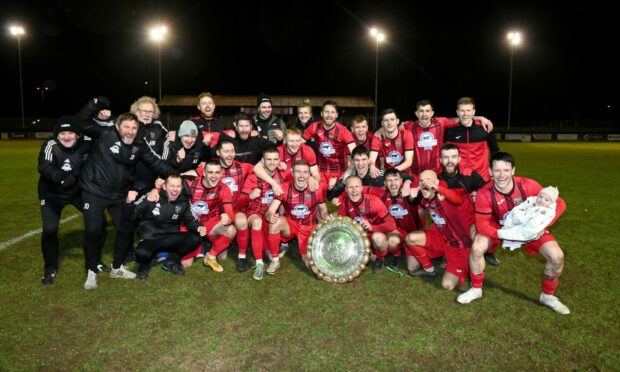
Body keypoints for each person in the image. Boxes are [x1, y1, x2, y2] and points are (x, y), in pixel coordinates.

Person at [77, 97, 174, 290]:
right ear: (118, 126)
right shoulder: (103, 132)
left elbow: (156, 163)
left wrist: (176, 176)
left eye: (134, 128)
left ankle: (117, 267)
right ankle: (91, 271)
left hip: (119, 194)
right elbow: (82, 122)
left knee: (126, 227)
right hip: (94, 191)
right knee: (93, 230)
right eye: (126, 127)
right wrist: (95, 104)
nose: (130, 132)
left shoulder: (139, 144)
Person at [457, 152, 570, 315]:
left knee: (557, 256)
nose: (501, 175)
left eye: (506, 170)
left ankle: (547, 296)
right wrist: (508, 234)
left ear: (513, 170)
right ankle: (476, 289)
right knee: (477, 247)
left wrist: (539, 227)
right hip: (499, 229)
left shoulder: (528, 185)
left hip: (529, 228)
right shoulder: (484, 193)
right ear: (490, 172)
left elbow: (560, 203)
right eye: (497, 170)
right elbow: (482, 226)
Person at [38, 116, 91, 284]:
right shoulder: (50, 145)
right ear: (56, 135)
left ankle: (93, 263)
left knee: (98, 222)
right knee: (50, 230)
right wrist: (60, 177)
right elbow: (44, 166)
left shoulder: (85, 145)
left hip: (77, 193)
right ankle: (50, 267)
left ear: (77, 135)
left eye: (70, 133)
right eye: (62, 133)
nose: (67, 137)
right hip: (51, 195)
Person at [123, 175, 206, 279]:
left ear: (181, 188)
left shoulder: (184, 201)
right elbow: (131, 216)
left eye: (178, 186)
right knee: (141, 253)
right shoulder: (151, 196)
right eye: (172, 186)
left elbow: (190, 220)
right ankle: (144, 265)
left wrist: (198, 226)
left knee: (196, 238)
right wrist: (128, 202)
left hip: (171, 238)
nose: (175, 190)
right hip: (151, 237)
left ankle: (172, 260)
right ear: (164, 187)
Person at [404, 170, 475, 290]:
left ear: (436, 182)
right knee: (411, 252)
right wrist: (410, 197)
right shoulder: (426, 197)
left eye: (428, 181)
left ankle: (468, 264)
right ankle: (429, 269)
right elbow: (413, 200)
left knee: (447, 285)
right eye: (421, 181)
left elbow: (457, 199)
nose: (424, 184)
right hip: (441, 238)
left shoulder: (445, 196)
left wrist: (437, 188)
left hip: (459, 245)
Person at [438, 144, 499, 266]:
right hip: (448, 221)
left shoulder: (470, 175)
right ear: (440, 160)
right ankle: (450, 253)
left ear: (459, 159)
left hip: (470, 219)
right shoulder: (436, 178)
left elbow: (487, 192)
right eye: (445, 157)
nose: (450, 161)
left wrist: (480, 196)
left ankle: (486, 252)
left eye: (453, 157)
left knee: (479, 240)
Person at [236, 147, 291, 279]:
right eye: (269, 159)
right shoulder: (253, 178)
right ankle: (259, 263)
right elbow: (239, 205)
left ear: (279, 160)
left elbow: (299, 178)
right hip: (253, 213)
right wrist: (250, 196)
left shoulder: (283, 175)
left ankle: (276, 251)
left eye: (275, 159)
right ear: (263, 161)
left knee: (270, 253)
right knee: (257, 221)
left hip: (269, 214)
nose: (272, 163)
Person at [265, 160, 329, 273]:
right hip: (291, 225)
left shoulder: (317, 189)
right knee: (274, 222)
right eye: (298, 172)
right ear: (293, 174)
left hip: (309, 228)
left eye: (305, 172)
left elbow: (323, 210)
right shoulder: (284, 188)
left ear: (309, 175)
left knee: (311, 264)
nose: (301, 175)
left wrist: (326, 220)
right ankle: (275, 261)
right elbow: (270, 211)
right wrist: (270, 216)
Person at [402, 100, 494, 175]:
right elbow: (395, 131)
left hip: (438, 172)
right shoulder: (409, 126)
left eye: (427, 111)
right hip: (417, 173)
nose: (424, 114)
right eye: (421, 111)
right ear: (416, 113)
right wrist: (400, 125)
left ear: (432, 113)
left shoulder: (441, 122)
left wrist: (481, 118)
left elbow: (462, 118)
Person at [335, 175, 397, 273]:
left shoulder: (374, 201)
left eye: (357, 187)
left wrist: (372, 227)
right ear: (346, 190)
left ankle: (380, 258)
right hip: (360, 238)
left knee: (378, 238)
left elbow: (392, 225)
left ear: (361, 188)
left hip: (375, 234)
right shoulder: (344, 205)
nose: (354, 190)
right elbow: (341, 227)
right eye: (351, 187)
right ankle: (371, 255)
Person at [185, 161, 237, 271]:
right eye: (210, 172)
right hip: (190, 223)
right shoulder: (190, 183)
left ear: (221, 173)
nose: (214, 176)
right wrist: (156, 190)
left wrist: (229, 219)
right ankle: (196, 247)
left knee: (231, 231)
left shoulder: (224, 188)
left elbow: (230, 214)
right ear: (204, 173)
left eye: (217, 172)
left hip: (210, 222)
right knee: (186, 265)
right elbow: (170, 186)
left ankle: (210, 256)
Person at [367, 168, 423, 269]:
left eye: (396, 179)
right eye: (389, 180)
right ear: (384, 183)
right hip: (395, 232)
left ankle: (395, 250)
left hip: (413, 234)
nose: (393, 183)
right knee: (389, 240)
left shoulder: (408, 191)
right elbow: (359, 189)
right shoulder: (382, 194)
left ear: (401, 180)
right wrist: (340, 198)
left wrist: (408, 182)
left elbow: (418, 179)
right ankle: (396, 254)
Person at [444, 97, 500, 181]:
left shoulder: (485, 127)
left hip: (482, 176)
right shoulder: (449, 130)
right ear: (457, 112)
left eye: (468, 110)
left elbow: (495, 150)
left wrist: (494, 169)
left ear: (474, 112)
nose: (465, 114)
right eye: (462, 111)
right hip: (459, 176)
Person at [303, 100, 356, 180]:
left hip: (339, 172)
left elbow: (355, 152)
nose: (329, 115)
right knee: (316, 191)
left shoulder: (343, 131)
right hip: (319, 172)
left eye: (332, 112)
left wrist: (349, 171)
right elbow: (297, 144)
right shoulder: (314, 127)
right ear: (322, 113)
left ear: (336, 115)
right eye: (326, 112)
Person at [377, 109, 414, 176]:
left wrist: (392, 172)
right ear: (382, 123)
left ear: (397, 121)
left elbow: (409, 162)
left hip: (404, 173)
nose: (389, 123)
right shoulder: (378, 137)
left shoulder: (407, 134)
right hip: (386, 173)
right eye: (386, 120)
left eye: (392, 119)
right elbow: (382, 164)